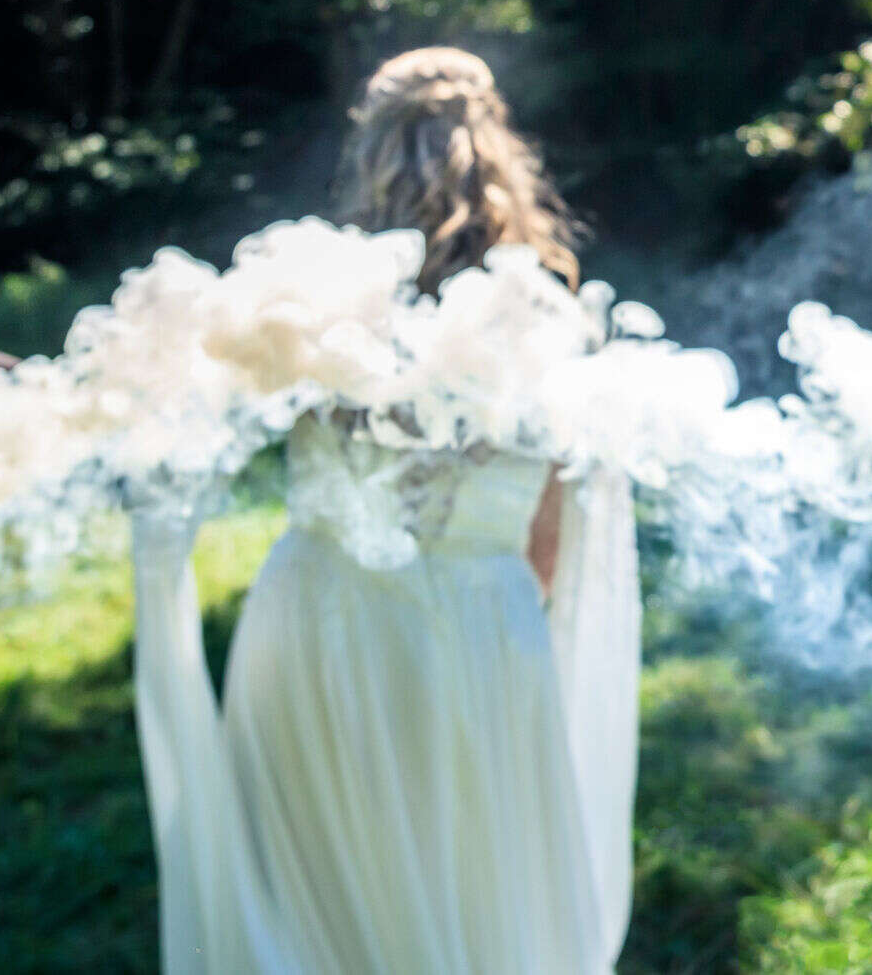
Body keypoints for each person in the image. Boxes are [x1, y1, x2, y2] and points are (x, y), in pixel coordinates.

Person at [131, 47, 641, 972]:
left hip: (315, 627)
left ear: (368, 150)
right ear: (500, 148)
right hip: (481, 634)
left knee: (319, 925)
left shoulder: (315, 297)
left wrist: (9, 379)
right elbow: (550, 547)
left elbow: (157, 400)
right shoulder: (545, 314)